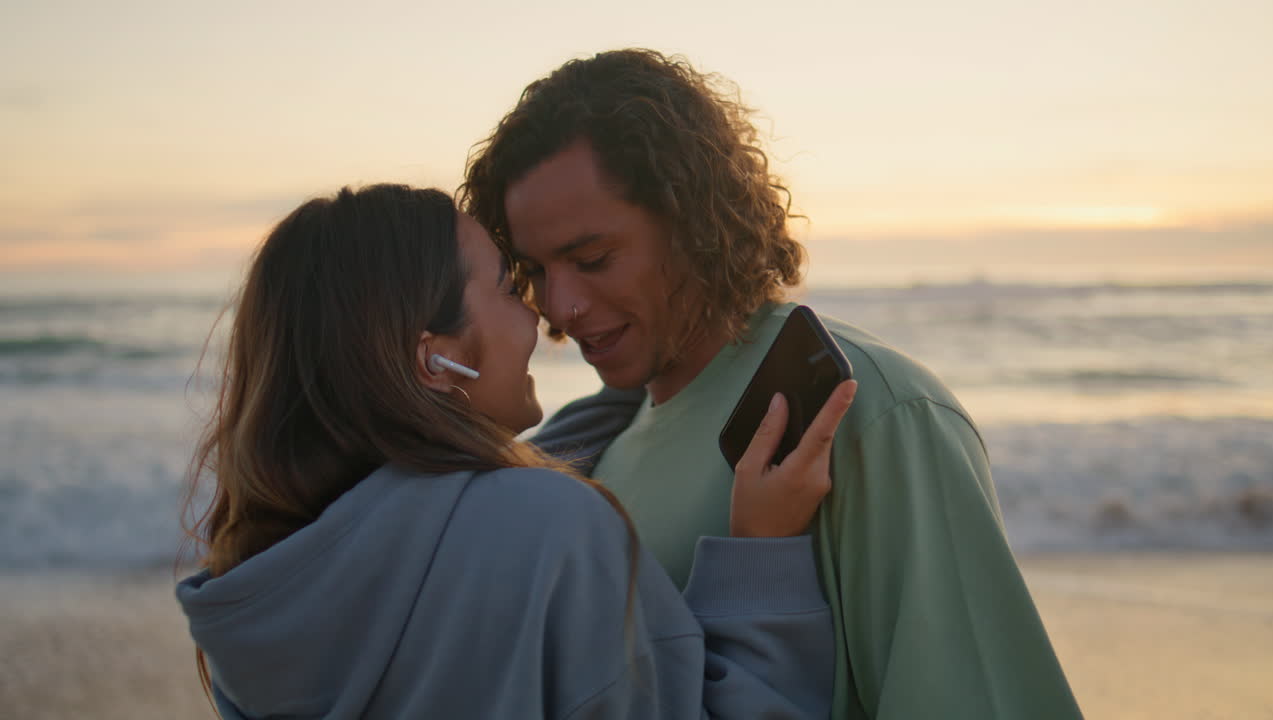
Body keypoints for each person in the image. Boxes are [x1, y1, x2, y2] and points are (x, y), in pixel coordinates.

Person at [460, 49, 1083, 719]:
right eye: (537, 271)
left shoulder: (867, 412)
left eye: (592, 259)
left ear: (694, 221)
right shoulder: (591, 447)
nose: (560, 306)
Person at [176, 184, 857, 719]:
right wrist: (762, 551)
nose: (542, 311)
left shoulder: (259, 589)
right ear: (434, 359)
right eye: (508, 284)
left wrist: (644, 380)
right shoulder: (551, 529)